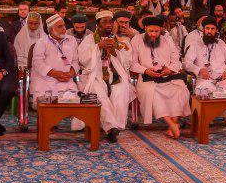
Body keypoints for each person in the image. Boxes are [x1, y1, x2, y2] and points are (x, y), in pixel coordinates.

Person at [129, 15, 189, 137]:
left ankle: (174, 123)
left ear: (161, 30)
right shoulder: (136, 40)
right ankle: (171, 124)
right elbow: (132, 64)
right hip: (147, 77)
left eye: (157, 31)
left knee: (181, 88)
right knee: (154, 93)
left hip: (167, 75)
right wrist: (145, 70)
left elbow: (176, 61)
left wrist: (170, 69)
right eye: (151, 31)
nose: (153, 34)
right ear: (145, 28)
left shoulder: (167, 40)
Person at [76, 10, 132, 142]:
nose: (108, 24)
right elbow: (82, 60)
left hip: (114, 74)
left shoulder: (119, 40)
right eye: (104, 22)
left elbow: (127, 61)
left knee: (121, 89)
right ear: (97, 25)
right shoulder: (88, 40)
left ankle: (116, 125)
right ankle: (111, 128)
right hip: (94, 75)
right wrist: (98, 47)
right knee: (98, 94)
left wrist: (115, 51)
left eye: (110, 21)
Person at [29, 13, 79, 103]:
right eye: (60, 27)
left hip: (66, 81)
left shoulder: (72, 40)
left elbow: (76, 61)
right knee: (48, 107)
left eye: (64, 25)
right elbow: (37, 63)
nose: (64, 29)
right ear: (51, 30)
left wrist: (71, 73)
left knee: (73, 103)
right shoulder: (42, 42)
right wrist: (55, 74)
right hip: (45, 81)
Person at [183, 18, 226, 97]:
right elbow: (186, 63)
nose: (209, 31)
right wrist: (199, 70)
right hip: (205, 79)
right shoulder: (195, 44)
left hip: (223, 78)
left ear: (216, 30)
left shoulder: (221, 43)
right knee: (203, 91)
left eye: (212, 29)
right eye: (207, 28)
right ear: (203, 30)